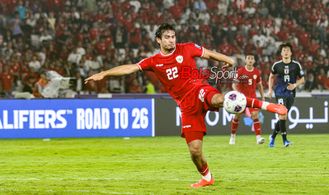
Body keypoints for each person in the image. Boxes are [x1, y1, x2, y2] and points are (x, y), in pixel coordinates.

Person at [85, 23, 287, 188]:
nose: (171, 40)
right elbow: (131, 68)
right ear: (159, 40)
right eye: (167, 37)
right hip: (186, 106)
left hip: (199, 89)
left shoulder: (187, 47)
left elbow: (207, 53)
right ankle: (207, 177)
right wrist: (105, 73)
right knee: (195, 151)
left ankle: (269, 107)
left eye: (173, 36)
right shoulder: (154, 61)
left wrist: (228, 60)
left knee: (221, 100)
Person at [267, 42, 305, 147]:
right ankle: (285, 141)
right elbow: (271, 77)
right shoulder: (277, 65)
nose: (286, 52)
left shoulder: (296, 65)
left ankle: (273, 137)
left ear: (291, 53)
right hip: (279, 92)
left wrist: (295, 85)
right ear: (281, 53)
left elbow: (302, 79)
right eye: (284, 50)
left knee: (283, 116)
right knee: (282, 114)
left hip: (291, 93)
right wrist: (270, 90)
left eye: (288, 50)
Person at [229, 54, 266, 145]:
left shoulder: (256, 72)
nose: (250, 60)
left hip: (252, 98)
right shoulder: (240, 71)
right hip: (241, 98)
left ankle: (258, 138)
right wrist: (238, 93)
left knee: (255, 115)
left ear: (254, 61)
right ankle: (232, 137)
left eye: (252, 58)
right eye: (248, 58)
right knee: (237, 116)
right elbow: (233, 84)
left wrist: (263, 97)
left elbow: (259, 85)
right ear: (245, 60)